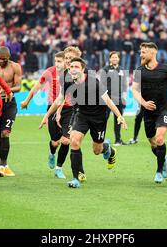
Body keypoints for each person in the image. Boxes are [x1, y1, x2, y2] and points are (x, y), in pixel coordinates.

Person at [39, 57, 128, 189]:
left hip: (98, 117)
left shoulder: (94, 82)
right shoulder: (68, 82)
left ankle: (107, 149)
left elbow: (108, 100)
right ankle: (76, 177)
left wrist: (119, 116)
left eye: (76, 67)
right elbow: (59, 100)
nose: (73, 69)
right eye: (71, 67)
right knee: (74, 141)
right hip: (81, 115)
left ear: (82, 69)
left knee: (97, 150)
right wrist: (47, 115)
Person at [132, 42, 167, 184]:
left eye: (144, 52)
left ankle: (159, 171)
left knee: (160, 138)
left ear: (153, 53)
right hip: (147, 112)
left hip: (163, 109)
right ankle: (163, 159)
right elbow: (134, 90)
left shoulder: (165, 69)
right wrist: (143, 103)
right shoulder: (139, 70)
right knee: (153, 142)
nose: (141, 54)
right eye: (141, 52)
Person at [21, 51, 71, 179]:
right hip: (52, 108)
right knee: (55, 142)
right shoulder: (49, 72)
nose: (57, 63)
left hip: (69, 109)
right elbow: (37, 86)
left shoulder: (72, 73)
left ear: (66, 61)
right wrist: (27, 100)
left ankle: (59, 168)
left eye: (59, 61)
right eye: (56, 61)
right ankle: (52, 153)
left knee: (66, 140)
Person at [0, 46, 22, 177]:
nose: (1, 61)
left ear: (9, 58)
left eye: (4, 59)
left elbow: (19, 86)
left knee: (5, 133)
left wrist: (6, 89)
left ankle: (4, 164)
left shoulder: (15, 67)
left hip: (9, 103)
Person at [100, 51, 128, 146]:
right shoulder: (105, 70)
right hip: (107, 98)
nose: (115, 59)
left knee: (119, 119)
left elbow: (125, 86)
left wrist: (124, 98)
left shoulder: (123, 70)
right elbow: (101, 85)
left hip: (119, 98)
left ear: (119, 59)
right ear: (110, 59)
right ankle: (100, 139)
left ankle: (118, 140)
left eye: (116, 57)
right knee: (104, 119)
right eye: (113, 57)